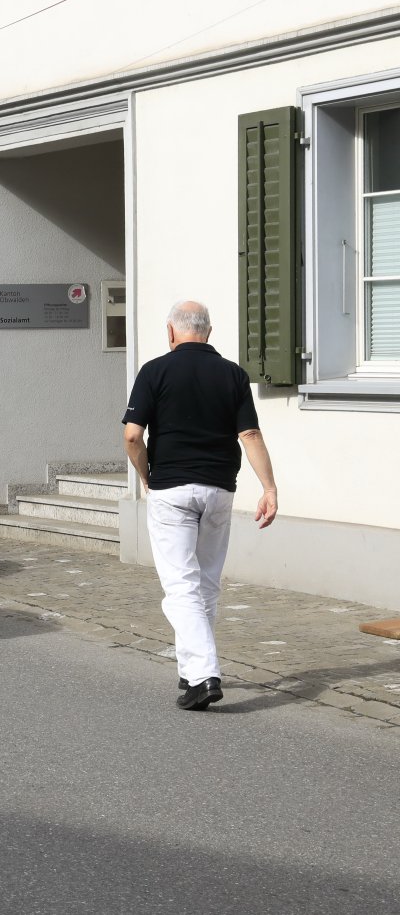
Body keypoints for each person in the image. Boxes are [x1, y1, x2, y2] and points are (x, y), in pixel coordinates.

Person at [122, 300, 278, 712]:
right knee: (205, 582)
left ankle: (205, 674)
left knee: (180, 585)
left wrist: (145, 474)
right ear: (208, 332)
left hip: (172, 489)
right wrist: (269, 488)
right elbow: (250, 435)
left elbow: (133, 436)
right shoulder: (233, 374)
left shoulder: (154, 371)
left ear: (171, 332)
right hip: (219, 489)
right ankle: (191, 671)